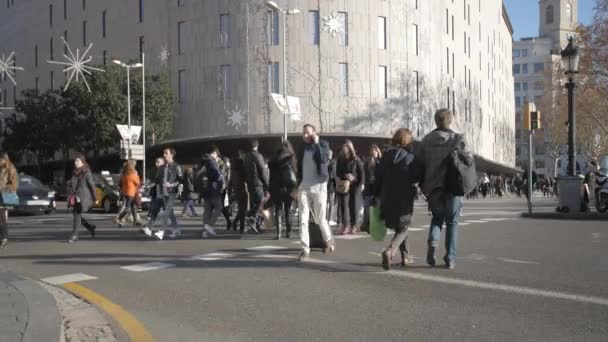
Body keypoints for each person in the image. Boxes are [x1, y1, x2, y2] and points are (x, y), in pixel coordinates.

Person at [418, 109, 467, 269]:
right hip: (453, 186)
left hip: (433, 187)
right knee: (452, 222)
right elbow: (468, 160)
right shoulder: (457, 139)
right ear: (450, 121)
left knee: (437, 218)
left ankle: (433, 243)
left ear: (436, 121)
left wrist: (422, 185)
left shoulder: (426, 140)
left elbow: (420, 164)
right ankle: (450, 258)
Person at [374, 129, 417, 270]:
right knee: (403, 227)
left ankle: (405, 256)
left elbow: (377, 178)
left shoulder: (385, 156)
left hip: (387, 196)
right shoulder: (410, 157)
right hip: (404, 197)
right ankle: (390, 251)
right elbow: (414, 178)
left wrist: (376, 195)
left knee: (401, 226)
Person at [296, 124, 335, 261]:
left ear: (314, 133)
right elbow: (298, 166)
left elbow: (323, 159)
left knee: (320, 218)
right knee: (303, 219)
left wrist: (317, 143)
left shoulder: (323, 144)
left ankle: (329, 239)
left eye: (308, 133)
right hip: (304, 187)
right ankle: (305, 249)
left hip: (319, 186)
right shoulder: (301, 147)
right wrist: (298, 185)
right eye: (303, 133)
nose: (305, 135)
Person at [268, 140, 298, 239]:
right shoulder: (290, 157)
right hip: (288, 186)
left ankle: (278, 233)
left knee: (278, 209)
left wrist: (270, 188)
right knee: (288, 209)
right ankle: (288, 232)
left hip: (276, 187)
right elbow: (294, 173)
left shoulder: (273, 158)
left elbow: (270, 175)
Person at [154, 147, 183, 240]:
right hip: (164, 192)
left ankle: (162, 231)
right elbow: (157, 180)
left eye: (166, 153)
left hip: (172, 192)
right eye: (164, 153)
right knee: (170, 212)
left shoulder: (176, 166)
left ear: (172, 154)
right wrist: (147, 186)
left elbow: (181, 180)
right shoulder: (162, 167)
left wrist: (172, 185)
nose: (164, 155)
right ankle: (176, 228)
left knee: (166, 211)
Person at [336, 142, 364, 235]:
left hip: (355, 184)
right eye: (344, 147)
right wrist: (346, 175)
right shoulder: (340, 159)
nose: (345, 149)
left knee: (353, 205)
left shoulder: (356, 159)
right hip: (344, 184)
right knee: (344, 205)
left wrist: (360, 182)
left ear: (350, 148)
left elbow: (361, 172)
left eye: (347, 147)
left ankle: (354, 225)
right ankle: (346, 225)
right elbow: (337, 172)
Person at [67, 154, 97, 243]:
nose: (75, 162)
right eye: (75, 161)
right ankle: (91, 228)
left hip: (83, 198)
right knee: (77, 216)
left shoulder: (86, 173)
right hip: (75, 197)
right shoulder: (75, 172)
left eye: (77, 161)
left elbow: (92, 186)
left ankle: (74, 235)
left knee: (77, 216)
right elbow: (72, 184)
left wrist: (95, 198)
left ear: (82, 163)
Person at [243, 139, 269, 233]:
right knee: (262, 204)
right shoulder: (258, 156)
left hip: (250, 184)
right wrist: (267, 183)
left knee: (255, 203)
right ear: (257, 146)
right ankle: (253, 220)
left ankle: (255, 224)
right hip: (258, 184)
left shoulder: (246, 157)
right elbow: (262, 170)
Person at [197, 145, 223, 238]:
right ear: (214, 153)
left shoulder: (203, 161)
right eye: (217, 154)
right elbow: (217, 175)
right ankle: (209, 226)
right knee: (219, 208)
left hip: (205, 189)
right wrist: (220, 171)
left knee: (207, 211)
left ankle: (205, 231)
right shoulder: (212, 161)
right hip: (214, 188)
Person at [141, 157, 166, 237]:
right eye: (156, 162)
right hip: (158, 195)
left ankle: (162, 230)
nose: (156, 164)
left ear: (163, 163)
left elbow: (156, 182)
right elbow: (155, 182)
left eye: (158, 162)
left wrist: (148, 187)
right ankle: (148, 228)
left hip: (165, 195)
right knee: (154, 212)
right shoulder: (158, 171)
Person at [115, 160, 143, 227]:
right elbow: (138, 182)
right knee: (128, 208)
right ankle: (119, 218)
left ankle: (135, 221)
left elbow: (120, 183)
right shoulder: (132, 174)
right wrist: (137, 176)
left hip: (125, 192)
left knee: (133, 207)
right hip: (131, 193)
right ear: (132, 166)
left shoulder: (124, 174)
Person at [362, 144, 382, 232]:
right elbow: (364, 174)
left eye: (376, 151)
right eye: (373, 151)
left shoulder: (381, 162)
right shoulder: (367, 162)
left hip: (378, 189)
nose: (375, 153)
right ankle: (366, 225)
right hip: (368, 188)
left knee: (376, 208)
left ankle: (375, 225)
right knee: (367, 208)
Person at [0, 152, 18, 247]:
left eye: (2, 159)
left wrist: (6, 187)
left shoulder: (10, 168)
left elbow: (15, 183)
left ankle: (4, 238)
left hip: (4, 194)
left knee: (3, 218)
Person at [229, 149, 249, 233]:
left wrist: (229, 190)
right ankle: (241, 227)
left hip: (236, 190)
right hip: (243, 189)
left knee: (241, 208)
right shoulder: (242, 166)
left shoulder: (233, 168)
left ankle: (235, 223)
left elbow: (230, 180)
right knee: (243, 209)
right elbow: (246, 178)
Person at [220, 157, 233, 231]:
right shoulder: (222, 168)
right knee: (224, 207)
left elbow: (229, 179)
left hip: (226, 189)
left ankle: (229, 222)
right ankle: (229, 221)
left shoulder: (228, 168)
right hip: (223, 189)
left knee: (225, 206)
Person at [326, 149, 337, 225]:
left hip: (324, 186)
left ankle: (324, 218)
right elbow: (333, 174)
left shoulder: (324, 162)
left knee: (324, 203)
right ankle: (330, 219)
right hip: (331, 185)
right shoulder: (333, 162)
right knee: (331, 203)